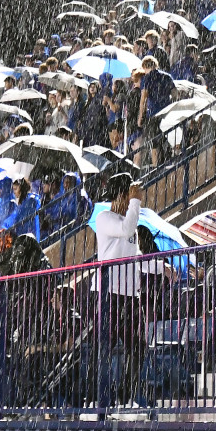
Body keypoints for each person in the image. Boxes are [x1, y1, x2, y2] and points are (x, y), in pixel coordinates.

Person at [93, 173, 145, 405]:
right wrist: (135, 202)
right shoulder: (104, 217)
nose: (132, 201)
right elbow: (125, 230)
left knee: (138, 345)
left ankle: (125, 396)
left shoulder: (131, 225)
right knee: (103, 347)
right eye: (129, 196)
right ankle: (99, 396)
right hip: (109, 294)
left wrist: (160, 267)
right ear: (120, 196)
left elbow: (136, 255)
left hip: (129, 296)